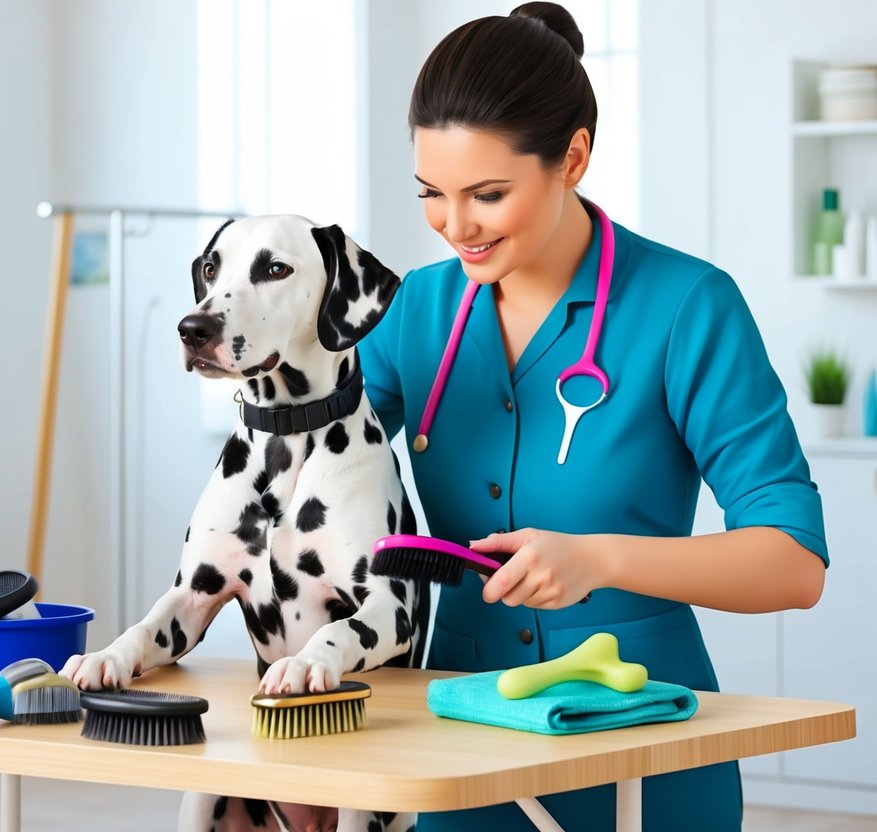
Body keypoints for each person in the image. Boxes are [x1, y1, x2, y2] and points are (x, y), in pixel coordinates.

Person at [357, 3, 829, 830]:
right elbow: (310, 472)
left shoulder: (686, 307)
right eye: (432, 194)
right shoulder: (415, 312)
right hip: (461, 745)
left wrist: (598, 560)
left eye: (487, 194)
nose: (453, 226)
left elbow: (792, 562)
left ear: (572, 156)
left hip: (643, 740)